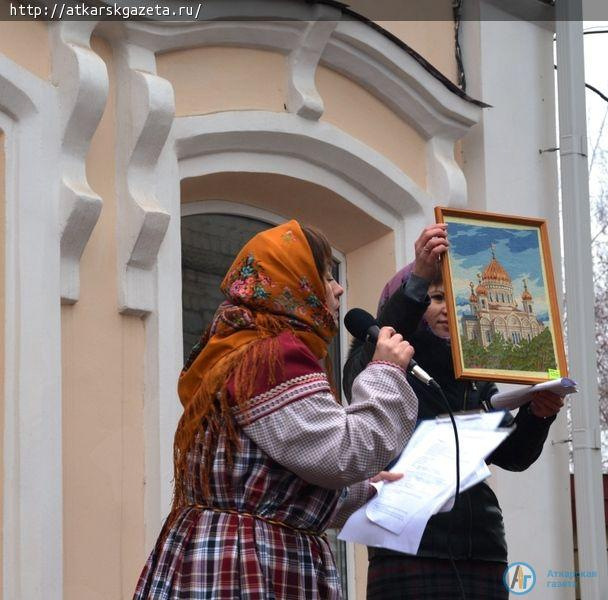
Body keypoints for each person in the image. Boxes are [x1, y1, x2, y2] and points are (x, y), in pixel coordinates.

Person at [133, 220, 419, 600]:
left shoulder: (235, 349)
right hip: (249, 564)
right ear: (295, 280)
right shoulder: (273, 357)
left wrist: (367, 492)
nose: (337, 288)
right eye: (324, 275)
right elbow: (342, 455)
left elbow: (264, 487)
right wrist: (385, 372)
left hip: (219, 552)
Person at [343, 224, 565, 600]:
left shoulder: (474, 374)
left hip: (481, 550)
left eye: (453, 298)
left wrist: (539, 415)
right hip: (409, 546)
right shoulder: (376, 361)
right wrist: (419, 276)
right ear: (406, 302)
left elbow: (512, 456)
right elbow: (381, 350)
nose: (448, 309)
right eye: (433, 297)